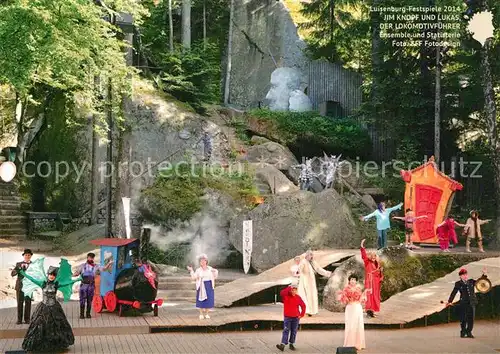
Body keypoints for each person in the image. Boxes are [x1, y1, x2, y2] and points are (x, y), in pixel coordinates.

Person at [19, 258, 82, 352]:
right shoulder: (43, 283)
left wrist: (77, 279)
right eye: (50, 274)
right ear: (47, 275)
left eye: (53, 275)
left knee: (56, 326)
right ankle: (37, 344)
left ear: (55, 276)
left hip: (54, 307)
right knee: (39, 325)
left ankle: (57, 345)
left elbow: (67, 283)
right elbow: (32, 279)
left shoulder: (57, 284)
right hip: (43, 307)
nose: (51, 276)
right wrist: (24, 274)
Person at [446, 267, 487, 338]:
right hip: (463, 303)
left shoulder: (471, 281)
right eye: (463, 275)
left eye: (466, 274)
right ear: (460, 276)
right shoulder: (458, 283)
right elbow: (454, 292)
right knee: (463, 318)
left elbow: (480, 281)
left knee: (471, 319)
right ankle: (463, 332)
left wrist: (484, 274)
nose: (465, 276)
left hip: (472, 302)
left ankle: (469, 332)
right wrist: (449, 301)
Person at [73, 252, 113, 319]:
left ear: (93, 258)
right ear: (87, 257)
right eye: (89, 257)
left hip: (91, 285)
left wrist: (109, 263)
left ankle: (88, 314)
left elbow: (104, 269)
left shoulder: (96, 266)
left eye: (92, 257)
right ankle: (81, 314)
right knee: (82, 300)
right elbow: (76, 273)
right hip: (83, 285)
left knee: (89, 300)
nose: (90, 258)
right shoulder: (82, 266)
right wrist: (74, 274)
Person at [297, 250, 332, 316]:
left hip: (311, 281)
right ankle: (306, 310)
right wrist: (299, 274)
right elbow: (299, 270)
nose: (312, 257)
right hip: (305, 281)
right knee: (306, 295)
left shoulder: (313, 262)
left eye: (312, 255)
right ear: (307, 255)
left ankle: (312, 311)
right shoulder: (303, 262)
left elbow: (319, 269)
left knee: (312, 295)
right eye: (310, 255)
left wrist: (327, 273)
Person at [337, 274, 366, 351]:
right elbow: (343, 299)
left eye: (354, 279)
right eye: (351, 279)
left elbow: (361, 298)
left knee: (358, 325)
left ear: (356, 281)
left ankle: (358, 344)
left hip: (357, 307)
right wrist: (343, 297)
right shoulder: (346, 289)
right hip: (350, 308)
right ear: (349, 280)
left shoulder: (358, 288)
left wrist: (363, 297)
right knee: (350, 325)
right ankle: (350, 344)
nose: (352, 281)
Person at [187, 253, 218, 319]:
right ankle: (201, 314)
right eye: (201, 261)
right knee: (200, 300)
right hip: (201, 285)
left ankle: (207, 314)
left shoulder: (210, 268)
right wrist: (191, 270)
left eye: (204, 260)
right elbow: (193, 277)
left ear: (206, 261)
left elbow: (215, 276)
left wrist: (215, 271)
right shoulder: (198, 270)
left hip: (209, 285)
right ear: (200, 262)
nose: (203, 262)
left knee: (209, 299)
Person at [276, 283, 306, 352]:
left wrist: (301, 315)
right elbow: (282, 293)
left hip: (296, 318)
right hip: (287, 317)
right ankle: (282, 345)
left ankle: (291, 344)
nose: (294, 291)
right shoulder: (286, 296)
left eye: (295, 290)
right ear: (290, 290)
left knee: (294, 331)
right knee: (286, 330)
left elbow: (303, 306)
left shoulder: (298, 297)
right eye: (292, 290)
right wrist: (289, 287)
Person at [360, 239, 383, 318]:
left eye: (374, 256)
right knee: (369, 295)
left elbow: (379, 273)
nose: (373, 258)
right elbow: (364, 256)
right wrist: (362, 247)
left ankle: (373, 310)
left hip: (375, 282)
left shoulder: (377, 264)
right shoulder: (367, 262)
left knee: (375, 296)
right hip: (369, 281)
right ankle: (369, 311)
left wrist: (380, 275)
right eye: (372, 256)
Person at [11, 249, 33, 324]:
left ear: (31, 256)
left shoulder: (34, 264)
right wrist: (18, 270)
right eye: (26, 255)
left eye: (29, 255)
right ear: (23, 256)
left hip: (29, 287)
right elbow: (12, 274)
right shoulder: (18, 264)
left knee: (28, 303)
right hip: (20, 286)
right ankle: (19, 320)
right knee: (19, 303)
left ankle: (27, 319)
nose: (27, 256)